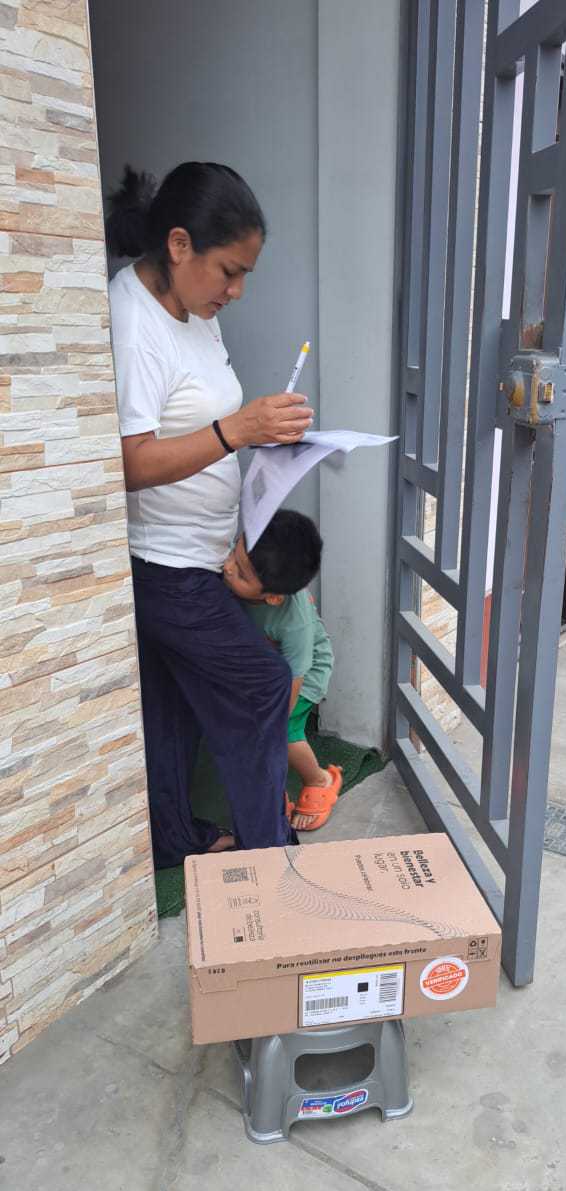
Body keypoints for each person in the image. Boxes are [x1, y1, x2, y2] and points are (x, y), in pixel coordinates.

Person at [105, 161, 314, 869]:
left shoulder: (195, 315)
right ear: (179, 245)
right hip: (164, 564)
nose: (236, 291)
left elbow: (203, 421)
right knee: (262, 686)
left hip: (205, 550)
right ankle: (268, 857)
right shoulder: (132, 322)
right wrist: (238, 430)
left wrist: (266, 436)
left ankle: (173, 840)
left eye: (245, 274)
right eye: (230, 271)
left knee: (169, 706)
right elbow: (129, 463)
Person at [222, 512, 342, 832]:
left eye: (241, 573)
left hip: (304, 675)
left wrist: (277, 719)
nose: (228, 567)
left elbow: (296, 674)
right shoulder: (241, 569)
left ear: (273, 597)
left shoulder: (293, 622)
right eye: (235, 550)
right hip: (267, 668)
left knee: (284, 733)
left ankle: (320, 779)